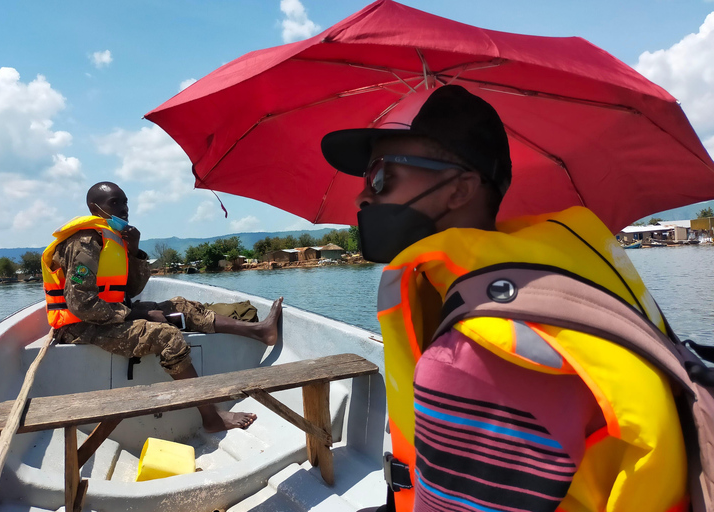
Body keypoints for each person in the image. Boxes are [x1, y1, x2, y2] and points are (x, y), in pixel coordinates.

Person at [321, 86, 688, 512]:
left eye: (381, 176)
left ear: (459, 191)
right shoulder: (560, 282)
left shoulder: (474, 353)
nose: (362, 196)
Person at [42, 181, 283, 432]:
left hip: (110, 315)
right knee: (167, 335)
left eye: (125, 202)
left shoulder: (114, 237)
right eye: (115, 203)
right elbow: (81, 304)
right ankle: (211, 416)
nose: (124, 208)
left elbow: (132, 290)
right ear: (94, 207)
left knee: (181, 306)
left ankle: (259, 331)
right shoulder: (84, 241)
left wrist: (134, 251)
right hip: (81, 326)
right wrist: (137, 313)